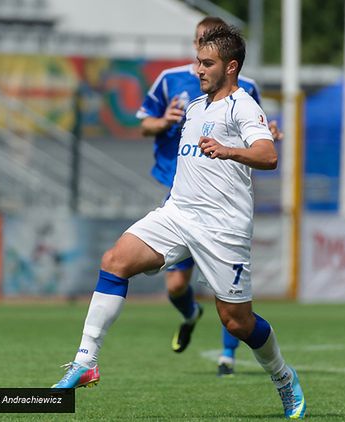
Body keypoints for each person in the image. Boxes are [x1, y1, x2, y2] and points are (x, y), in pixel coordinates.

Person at [53, 25, 306, 420]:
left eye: (207, 64)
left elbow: (267, 155)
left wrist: (228, 150)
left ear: (231, 66)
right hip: (177, 213)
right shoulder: (194, 107)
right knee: (115, 261)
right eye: (198, 61)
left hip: (223, 227)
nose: (198, 70)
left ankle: (283, 378)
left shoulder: (242, 106)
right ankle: (86, 361)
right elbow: (153, 130)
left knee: (237, 322)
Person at [136, 16, 282, 377]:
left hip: (222, 202)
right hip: (181, 198)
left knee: (232, 311)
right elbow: (144, 124)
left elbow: (257, 133)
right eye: (199, 45)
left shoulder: (242, 90)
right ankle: (188, 313)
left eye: (209, 52)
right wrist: (164, 121)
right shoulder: (174, 83)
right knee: (174, 286)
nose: (200, 61)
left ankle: (230, 356)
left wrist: (259, 136)